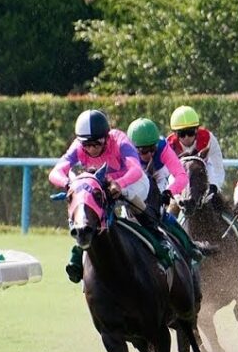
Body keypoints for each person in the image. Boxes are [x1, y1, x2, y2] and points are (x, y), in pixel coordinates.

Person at [49, 110, 170, 283]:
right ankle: (79, 249)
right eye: (87, 145)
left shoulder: (119, 140)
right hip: (103, 187)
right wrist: (68, 184)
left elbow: (135, 170)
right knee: (84, 205)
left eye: (96, 144)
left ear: (106, 137)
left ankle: (158, 238)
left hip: (132, 182)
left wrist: (120, 184)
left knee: (128, 194)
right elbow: (56, 172)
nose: (91, 149)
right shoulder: (78, 146)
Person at [126, 117, 203, 261]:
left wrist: (169, 191)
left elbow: (181, 176)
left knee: (158, 212)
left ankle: (190, 247)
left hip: (158, 175)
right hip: (131, 178)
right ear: (132, 148)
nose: (149, 155)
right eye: (144, 151)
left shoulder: (163, 147)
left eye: (152, 149)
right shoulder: (124, 151)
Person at [166, 105, 226, 192]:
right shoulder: (169, 145)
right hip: (179, 175)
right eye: (182, 134)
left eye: (190, 132)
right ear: (175, 133)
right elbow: (165, 174)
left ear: (196, 130)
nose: (186, 137)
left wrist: (215, 187)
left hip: (204, 172)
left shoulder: (208, 138)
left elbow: (217, 167)